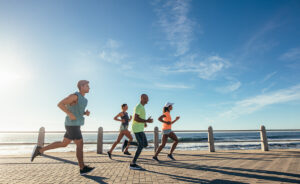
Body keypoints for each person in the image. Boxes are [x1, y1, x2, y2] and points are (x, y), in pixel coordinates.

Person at [31, 80, 95, 175]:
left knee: (64, 143)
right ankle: (82, 168)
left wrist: (85, 113)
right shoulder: (74, 96)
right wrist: (69, 114)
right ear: (81, 87)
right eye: (87, 86)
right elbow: (60, 104)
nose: (89, 88)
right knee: (80, 144)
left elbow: (77, 111)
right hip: (72, 125)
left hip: (75, 124)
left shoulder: (84, 100)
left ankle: (40, 150)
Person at [122, 94, 153, 170]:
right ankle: (133, 163)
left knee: (145, 144)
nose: (148, 100)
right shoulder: (139, 106)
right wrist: (146, 121)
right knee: (141, 145)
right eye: (146, 98)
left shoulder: (142, 107)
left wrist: (145, 123)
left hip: (140, 128)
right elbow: (136, 118)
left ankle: (127, 143)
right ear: (142, 98)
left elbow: (140, 117)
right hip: (137, 129)